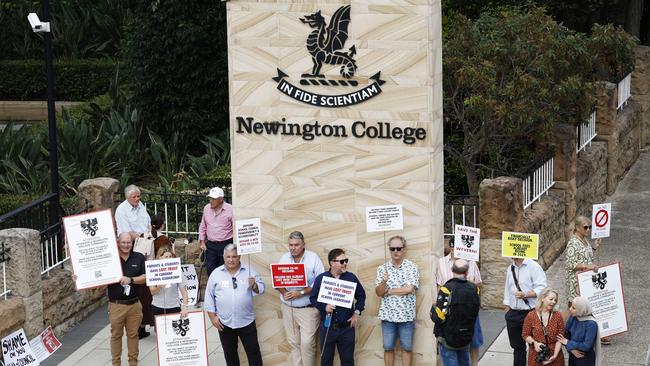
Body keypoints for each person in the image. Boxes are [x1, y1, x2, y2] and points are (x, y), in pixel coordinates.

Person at [204, 244, 264, 366]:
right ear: (223, 256)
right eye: (228, 257)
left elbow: (262, 289)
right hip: (224, 323)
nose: (231, 260)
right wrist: (212, 317)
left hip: (246, 321)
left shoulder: (249, 271)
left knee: (254, 353)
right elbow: (209, 297)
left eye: (234, 257)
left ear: (239, 256)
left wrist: (254, 285)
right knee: (230, 354)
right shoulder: (216, 273)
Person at [310, 248, 366, 366]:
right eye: (342, 261)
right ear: (332, 263)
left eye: (346, 260)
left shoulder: (351, 278)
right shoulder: (321, 278)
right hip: (327, 328)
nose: (345, 263)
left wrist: (356, 312)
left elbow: (361, 296)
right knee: (326, 361)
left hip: (346, 328)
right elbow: (313, 298)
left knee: (348, 362)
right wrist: (324, 307)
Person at [277, 231, 325, 366]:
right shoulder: (284, 258)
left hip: (308, 310)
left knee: (307, 344)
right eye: (290, 245)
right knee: (294, 344)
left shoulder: (313, 258)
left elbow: (320, 282)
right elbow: (277, 280)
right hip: (288, 308)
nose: (293, 248)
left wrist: (302, 292)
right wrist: (284, 291)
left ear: (303, 244)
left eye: (296, 245)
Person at [114, 184, 153, 338]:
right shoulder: (122, 210)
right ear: (127, 197)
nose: (137, 199)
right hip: (134, 248)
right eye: (134, 197)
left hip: (146, 245)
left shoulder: (140, 205)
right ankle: (137, 327)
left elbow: (148, 221)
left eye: (138, 196)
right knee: (136, 287)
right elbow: (126, 233)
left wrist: (149, 234)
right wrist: (143, 238)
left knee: (146, 287)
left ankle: (144, 325)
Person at [436, 237, 483, 366]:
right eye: (454, 247)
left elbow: (479, 282)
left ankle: (474, 364)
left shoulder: (471, 261)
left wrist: (468, 283)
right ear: (450, 247)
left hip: (468, 307)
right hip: (451, 308)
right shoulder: (441, 262)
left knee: (474, 339)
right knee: (450, 340)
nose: (457, 249)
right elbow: (439, 285)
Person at [375, 235, 419, 366]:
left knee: (407, 348)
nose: (395, 251)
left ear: (404, 249)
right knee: (388, 347)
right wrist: (384, 281)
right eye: (392, 248)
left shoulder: (412, 267)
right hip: (388, 317)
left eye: (398, 248)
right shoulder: (382, 269)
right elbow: (378, 292)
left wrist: (389, 291)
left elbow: (409, 289)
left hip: (406, 316)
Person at [564, 216, 609, 344]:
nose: (588, 229)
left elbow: (586, 257)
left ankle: (597, 333)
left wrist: (594, 247)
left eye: (589, 227)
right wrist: (587, 266)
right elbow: (570, 264)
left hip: (586, 279)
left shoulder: (584, 240)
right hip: (575, 281)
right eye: (585, 227)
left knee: (585, 306)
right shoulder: (573, 243)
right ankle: (559, 329)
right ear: (577, 228)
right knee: (573, 309)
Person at [107, 233, 146, 366]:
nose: (126, 245)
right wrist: (79, 278)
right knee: (116, 336)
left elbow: (146, 277)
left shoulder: (139, 257)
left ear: (132, 243)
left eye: (128, 242)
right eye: (123, 242)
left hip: (134, 305)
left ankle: (133, 363)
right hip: (116, 305)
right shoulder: (110, 259)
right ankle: (116, 363)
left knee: (133, 335)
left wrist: (131, 280)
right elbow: (96, 279)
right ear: (118, 243)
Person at [504, 257, 548, 366]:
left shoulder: (533, 266)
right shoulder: (510, 268)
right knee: (517, 347)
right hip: (513, 314)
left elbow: (543, 288)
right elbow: (507, 289)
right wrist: (507, 309)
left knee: (535, 346)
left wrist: (526, 294)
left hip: (530, 312)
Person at [522, 288, 565, 366]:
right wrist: (534, 343)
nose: (553, 302)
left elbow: (560, 338)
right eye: (551, 299)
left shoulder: (558, 316)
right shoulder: (531, 315)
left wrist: (555, 355)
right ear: (542, 298)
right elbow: (525, 335)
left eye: (555, 300)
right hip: (537, 355)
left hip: (555, 356)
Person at [198, 187, 233, 277]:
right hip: (211, 245)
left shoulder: (230, 209)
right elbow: (203, 225)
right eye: (210, 198)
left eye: (214, 199)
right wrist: (202, 241)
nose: (211, 201)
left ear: (221, 199)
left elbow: (235, 227)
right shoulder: (206, 208)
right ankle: (214, 290)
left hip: (226, 244)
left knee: (225, 270)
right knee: (210, 270)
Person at [557, 296, 601, 366]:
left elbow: (587, 345)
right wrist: (571, 350)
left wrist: (568, 343)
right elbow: (564, 335)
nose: (570, 309)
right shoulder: (573, 317)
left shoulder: (591, 324)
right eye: (571, 306)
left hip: (585, 359)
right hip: (573, 356)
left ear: (581, 310)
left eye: (574, 308)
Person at [149, 246, 190, 320]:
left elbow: (184, 292)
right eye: (166, 257)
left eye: (170, 256)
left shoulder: (177, 271)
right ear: (159, 257)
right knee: (159, 331)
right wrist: (160, 286)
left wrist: (185, 307)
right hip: (157, 306)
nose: (168, 259)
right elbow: (152, 292)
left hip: (174, 306)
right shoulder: (153, 270)